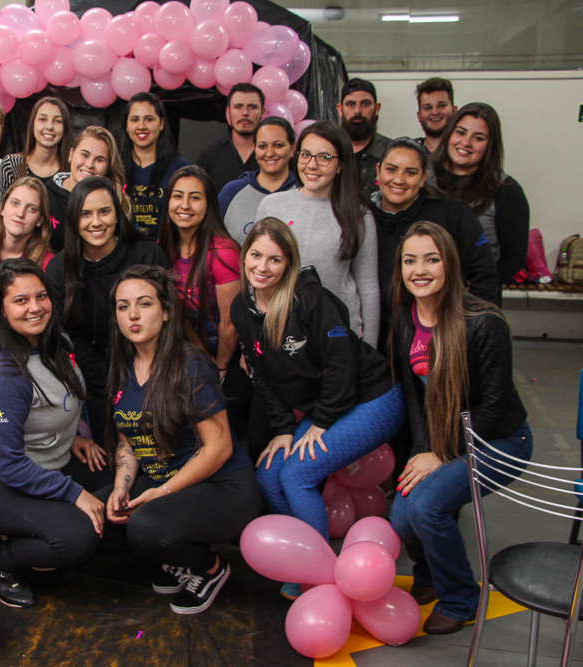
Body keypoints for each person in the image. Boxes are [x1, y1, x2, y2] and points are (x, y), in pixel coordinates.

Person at [231, 219, 405, 599]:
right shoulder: (241, 308)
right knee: (268, 473)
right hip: (327, 403)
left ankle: (318, 576)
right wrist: (281, 428)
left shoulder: (310, 299)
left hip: (372, 397)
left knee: (296, 476)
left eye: (274, 260)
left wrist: (322, 421)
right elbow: (261, 373)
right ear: (244, 257)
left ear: (289, 263)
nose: (262, 267)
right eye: (255, 256)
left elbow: (340, 364)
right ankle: (306, 556)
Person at [388, 221, 532, 635]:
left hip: (500, 439)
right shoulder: (405, 315)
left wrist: (442, 454)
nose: (420, 269)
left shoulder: (484, 322)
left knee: (427, 508)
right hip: (442, 438)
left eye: (431, 259)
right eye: (410, 260)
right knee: (401, 516)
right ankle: (431, 576)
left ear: (449, 263)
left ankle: (461, 598)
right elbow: (414, 398)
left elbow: (493, 407)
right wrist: (421, 449)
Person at [100, 265, 258, 615]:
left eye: (144, 304)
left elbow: (219, 448)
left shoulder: (191, 364)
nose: (133, 315)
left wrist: (161, 492)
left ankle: (211, 569)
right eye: (123, 307)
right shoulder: (123, 364)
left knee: (144, 526)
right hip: (165, 481)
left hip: (222, 485)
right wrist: (121, 486)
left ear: (166, 311)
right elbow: (129, 436)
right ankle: (177, 560)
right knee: (102, 516)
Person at [0, 259, 110, 608]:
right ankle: (1, 562)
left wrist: (73, 437)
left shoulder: (54, 339)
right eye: (21, 300)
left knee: (115, 488)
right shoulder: (5, 377)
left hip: (47, 461)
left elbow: (59, 401)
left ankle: (31, 523)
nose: (35, 307)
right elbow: (7, 462)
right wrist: (74, 493)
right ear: (2, 309)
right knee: (77, 538)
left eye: (41, 296)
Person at [46, 176, 170, 446]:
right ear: (73, 220)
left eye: (104, 211)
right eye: (85, 214)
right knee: (113, 456)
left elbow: (168, 320)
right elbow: (68, 335)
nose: (96, 222)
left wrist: (144, 376)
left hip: (154, 369)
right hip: (96, 377)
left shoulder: (147, 254)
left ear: (117, 214)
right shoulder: (59, 269)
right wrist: (108, 381)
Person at [255, 120, 380, 347]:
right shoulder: (271, 206)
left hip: (340, 337)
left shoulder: (359, 216)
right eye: (305, 155)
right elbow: (254, 277)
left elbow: (368, 287)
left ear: (341, 164)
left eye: (324, 157)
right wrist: (251, 338)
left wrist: (369, 348)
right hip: (281, 334)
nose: (311, 165)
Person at [370, 137, 499, 351]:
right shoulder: (361, 217)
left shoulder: (453, 214)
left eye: (410, 173)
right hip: (381, 343)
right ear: (378, 171)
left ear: (423, 178)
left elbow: (484, 277)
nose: (399, 180)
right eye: (391, 170)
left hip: (444, 340)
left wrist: (472, 332)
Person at [429, 102, 529, 287]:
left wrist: (477, 288)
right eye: (460, 132)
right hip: (421, 301)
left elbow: (514, 258)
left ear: (490, 145)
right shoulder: (422, 176)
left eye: (478, 138)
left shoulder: (506, 190)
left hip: (476, 303)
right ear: (449, 133)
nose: (465, 142)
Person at [159, 165, 241, 374]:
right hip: (193, 353)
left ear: (208, 205)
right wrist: (205, 358)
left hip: (231, 357)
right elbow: (179, 315)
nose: (184, 205)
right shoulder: (165, 246)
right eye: (178, 196)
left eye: (195, 198)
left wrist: (220, 369)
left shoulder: (223, 251)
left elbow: (230, 324)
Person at [46, 126, 130, 252]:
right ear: (71, 155)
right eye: (85, 155)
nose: (90, 164)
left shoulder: (119, 202)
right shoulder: (45, 195)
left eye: (99, 160)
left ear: (107, 167)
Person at [121, 92, 190, 240]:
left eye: (149, 119)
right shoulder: (115, 166)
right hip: (122, 253)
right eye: (134, 120)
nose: (141, 126)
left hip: (166, 253)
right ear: (126, 125)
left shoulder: (180, 169)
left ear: (161, 124)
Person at [219, 116, 298, 244]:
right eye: (262, 146)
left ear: (292, 148)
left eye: (278, 145)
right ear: (255, 149)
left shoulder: (304, 192)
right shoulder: (231, 192)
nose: (270, 153)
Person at [0, 176, 54, 293]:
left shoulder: (46, 263)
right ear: (3, 208)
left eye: (31, 209)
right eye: (15, 203)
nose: (20, 214)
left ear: (40, 220)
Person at [196, 83, 264, 191]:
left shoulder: (273, 156)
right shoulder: (210, 154)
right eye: (238, 107)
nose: (245, 113)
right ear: (228, 112)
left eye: (252, 107)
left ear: (262, 113)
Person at [0, 97, 73, 192]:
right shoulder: (12, 164)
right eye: (43, 119)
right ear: (33, 124)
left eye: (58, 121)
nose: (49, 127)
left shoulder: (71, 171)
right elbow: (5, 205)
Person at [337, 78, 390, 198]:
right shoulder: (329, 152)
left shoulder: (392, 152)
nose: (357, 111)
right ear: (340, 109)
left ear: (377, 109)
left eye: (365, 104)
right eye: (351, 104)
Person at [415, 77, 457, 154]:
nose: (435, 112)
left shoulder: (464, 155)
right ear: (419, 116)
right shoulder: (410, 152)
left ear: (454, 111)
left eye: (441, 106)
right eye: (428, 108)